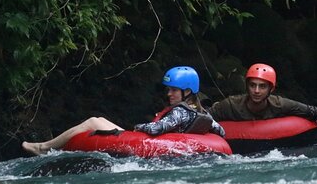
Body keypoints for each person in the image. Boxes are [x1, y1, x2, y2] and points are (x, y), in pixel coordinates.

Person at [22, 66, 225, 155]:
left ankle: (44, 147)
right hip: (168, 146)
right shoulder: (202, 113)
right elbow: (219, 131)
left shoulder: (180, 112)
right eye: (168, 90)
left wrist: (138, 126)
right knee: (99, 119)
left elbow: (156, 129)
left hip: (146, 143)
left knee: (94, 121)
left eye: (173, 90)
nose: (169, 94)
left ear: (187, 91)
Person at [207, 63, 317, 144]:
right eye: (252, 85)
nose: (256, 90)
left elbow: (316, 112)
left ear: (271, 89)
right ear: (246, 86)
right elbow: (204, 116)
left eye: (262, 86)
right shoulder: (230, 105)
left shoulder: (280, 104)